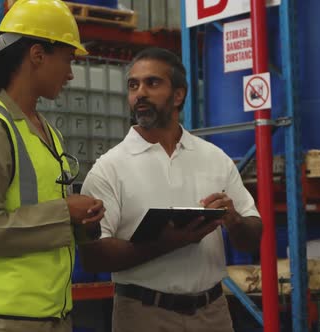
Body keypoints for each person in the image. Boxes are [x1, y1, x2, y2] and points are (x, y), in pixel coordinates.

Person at [79, 47, 263, 332]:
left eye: (152, 83)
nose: (140, 93)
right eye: (133, 85)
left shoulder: (214, 158)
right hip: (143, 316)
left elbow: (252, 238)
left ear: (179, 95)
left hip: (212, 314)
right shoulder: (109, 167)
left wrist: (234, 220)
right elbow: (93, 255)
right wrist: (168, 243)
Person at [0, 1, 104, 331]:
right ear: (37, 55)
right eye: (67, 59)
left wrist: (84, 222)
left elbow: (37, 218)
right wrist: (65, 211)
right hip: (0, 321)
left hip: (52, 316)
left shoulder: (48, 133)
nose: (70, 73)